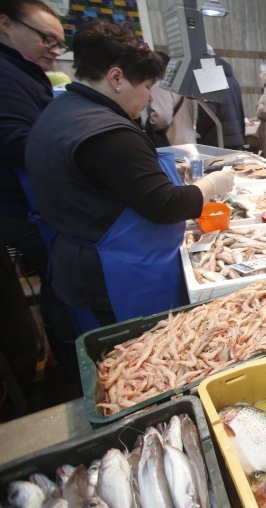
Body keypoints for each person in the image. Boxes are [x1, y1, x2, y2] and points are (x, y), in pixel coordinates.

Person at [25, 21, 234, 332]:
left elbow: (108, 180)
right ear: (116, 77)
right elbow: (165, 205)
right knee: (135, 361)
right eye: (147, 87)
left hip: (80, 259)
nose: (150, 98)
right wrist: (213, 183)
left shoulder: (63, 110)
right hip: (115, 275)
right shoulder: (108, 132)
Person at [0, 0, 65, 282]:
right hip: (21, 209)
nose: (55, 50)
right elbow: (15, 141)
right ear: (5, 24)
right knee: (57, 280)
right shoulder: (6, 74)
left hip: (34, 203)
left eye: (59, 43)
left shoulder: (23, 71)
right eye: (47, 39)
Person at [196, 44, 245, 149]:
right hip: (235, 137)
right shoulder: (231, 77)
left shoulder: (209, 75)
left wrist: (199, 131)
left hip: (218, 141)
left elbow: (208, 113)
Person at [145, 51, 196, 147]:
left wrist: (151, 123)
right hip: (188, 141)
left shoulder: (160, 86)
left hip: (173, 143)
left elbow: (162, 117)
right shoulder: (181, 84)